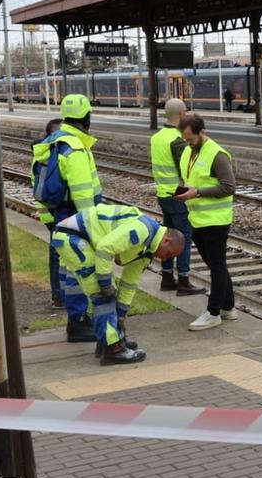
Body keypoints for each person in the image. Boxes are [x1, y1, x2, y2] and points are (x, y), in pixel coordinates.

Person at [52, 204, 185, 365]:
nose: (165, 259)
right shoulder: (143, 229)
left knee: (107, 293)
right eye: (169, 254)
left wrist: (120, 318)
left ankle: (108, 341)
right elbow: (104, 249)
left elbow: (129, 284)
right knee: (102, 294)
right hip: (72, 237)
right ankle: (113, 350)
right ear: (166, 240)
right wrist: (105, 283)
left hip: (78, 237)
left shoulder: (147, 249)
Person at [30, 94, 104, 341]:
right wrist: (91, 223)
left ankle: (77, 317)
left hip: (56, 216)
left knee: (68, 266)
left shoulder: (51, 142)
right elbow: (83, 191)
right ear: (87, 117)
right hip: (76, 217)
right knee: (79, 268)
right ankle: (79, 320)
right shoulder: (74, 147)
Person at [176, 115, 237, 331]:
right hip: (198, 219)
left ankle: (213, 313)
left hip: (216, 221)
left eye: (191, 139)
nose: (188, 143)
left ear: (202, 132)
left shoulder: (217, 155)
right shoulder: (188, 151)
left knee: (217, 266)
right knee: (215, 265)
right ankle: (228, 307)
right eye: (185, 139)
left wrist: (197, 193)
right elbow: (190, 179)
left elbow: (229, 187)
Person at [149, 98, 205, 296]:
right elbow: (186, 170)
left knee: (168, 235)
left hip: (162, 194)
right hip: (177, 196)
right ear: (182, 114)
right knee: (183, 237)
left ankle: (166, 277)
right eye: (186, 112)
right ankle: (184, 280)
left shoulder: (156, 137)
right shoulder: (177, 139)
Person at [32, 118, 65, 307]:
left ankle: (60, 295)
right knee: (58, 255)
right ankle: (59, 295)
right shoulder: (47, 157)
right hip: (54, 214)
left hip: (51, 213)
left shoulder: (43, 154)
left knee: (59, 255)